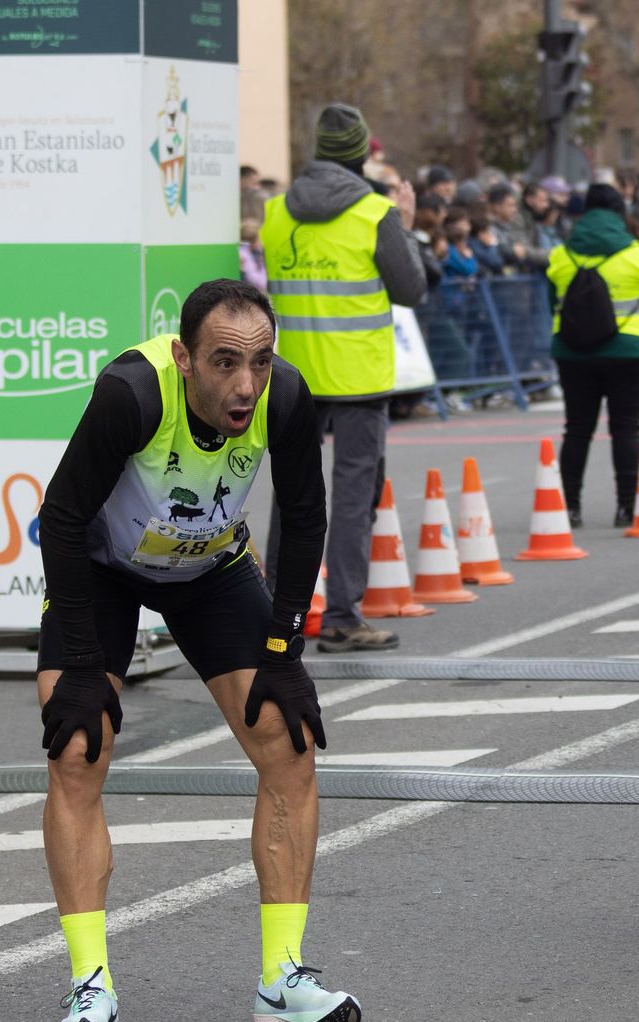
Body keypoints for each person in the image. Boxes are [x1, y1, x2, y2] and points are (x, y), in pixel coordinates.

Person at [35, 279, 360, 1022]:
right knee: (78, 753)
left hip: (211, 570)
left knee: (290, 743)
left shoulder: (283, 397)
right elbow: (63, 514)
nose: (244, 385)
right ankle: (90, 988)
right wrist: (81, 661)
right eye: (223, 363)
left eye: (259, 361)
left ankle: (283, 978)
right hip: (104, 572)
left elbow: (306, 514)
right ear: (185, 359)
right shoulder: (132, 393)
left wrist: (284, 646)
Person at [260, 102, 426, 652]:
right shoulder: (375, 213)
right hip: (359, 377)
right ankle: (342, 616)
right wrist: (409, 225)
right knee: (355, 496)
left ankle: (277, 611)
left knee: (292, 496)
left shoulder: (277, 211)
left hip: (295, 376)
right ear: (360, 153)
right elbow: (411, 290)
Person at [547, 182, 639, 528]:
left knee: (576, 429)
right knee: (626, 429)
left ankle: (569, 507)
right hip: (629, 351)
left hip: (572, 353)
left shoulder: (560, 255)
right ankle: (627, 507)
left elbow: (552, 303)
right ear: (620, 214)